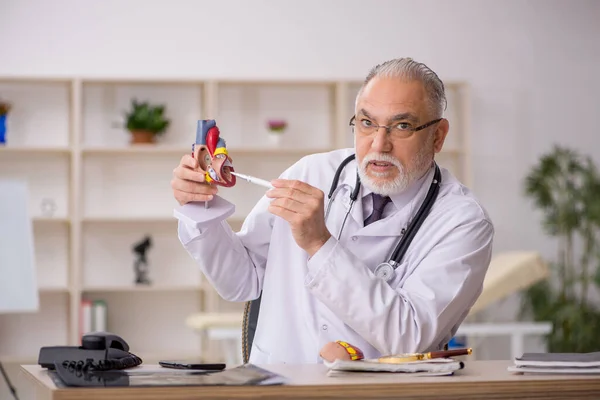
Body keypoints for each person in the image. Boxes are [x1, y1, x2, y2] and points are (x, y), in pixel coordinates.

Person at [171, 57, 494, 364]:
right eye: (367, 123)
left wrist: (319, 244)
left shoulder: (463, 222)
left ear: (438, 136)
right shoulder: (310, 172)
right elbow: (241, 281)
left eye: (402, 126)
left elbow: (409, 336)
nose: (379, 145)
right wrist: (199, 205)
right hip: (279, 384)